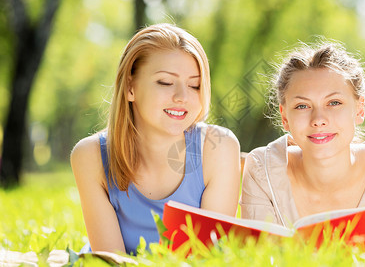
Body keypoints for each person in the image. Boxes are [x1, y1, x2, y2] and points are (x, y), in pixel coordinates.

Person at [71, 23, 241, 254]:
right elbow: (111, 260)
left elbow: (208, 257)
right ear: (130, 87)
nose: (182, 97)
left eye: (194, 85)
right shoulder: (89, 156)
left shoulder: (219, 147)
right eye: (165, 82)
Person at [240, 41, 365, 236]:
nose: (318, 120)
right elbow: (259, 255)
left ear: (359, 109)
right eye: (302, 106)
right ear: (284, 118)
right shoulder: (260, 169)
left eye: (334, 102)